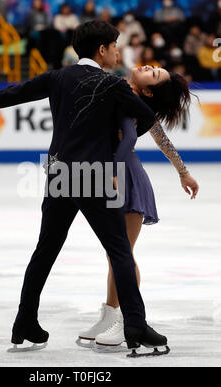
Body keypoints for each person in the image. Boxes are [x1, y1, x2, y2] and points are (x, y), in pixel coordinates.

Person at [0, 21, 173, 358]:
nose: (118, 52)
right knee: (119, 251)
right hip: (96, 175)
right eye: (115, 47)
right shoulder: (112, 85)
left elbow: (11, 94)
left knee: (45, 251)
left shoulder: (58, 77)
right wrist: (114, 140)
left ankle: (24, 322)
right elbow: (145, 119)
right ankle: (134, 324)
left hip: (59, 173)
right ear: (102, 49)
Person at [77, 64, 199, 351]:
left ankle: (129, 319)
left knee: (123, 254)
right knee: (113, 253)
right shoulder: (120, 89)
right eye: (156, 67)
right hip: (105, 174)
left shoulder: (135, 104)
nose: (150, 66)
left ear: (147, 90)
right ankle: (109, 314)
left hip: (125, 178)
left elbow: (159, 138)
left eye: (155, 73)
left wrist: (183, 172)